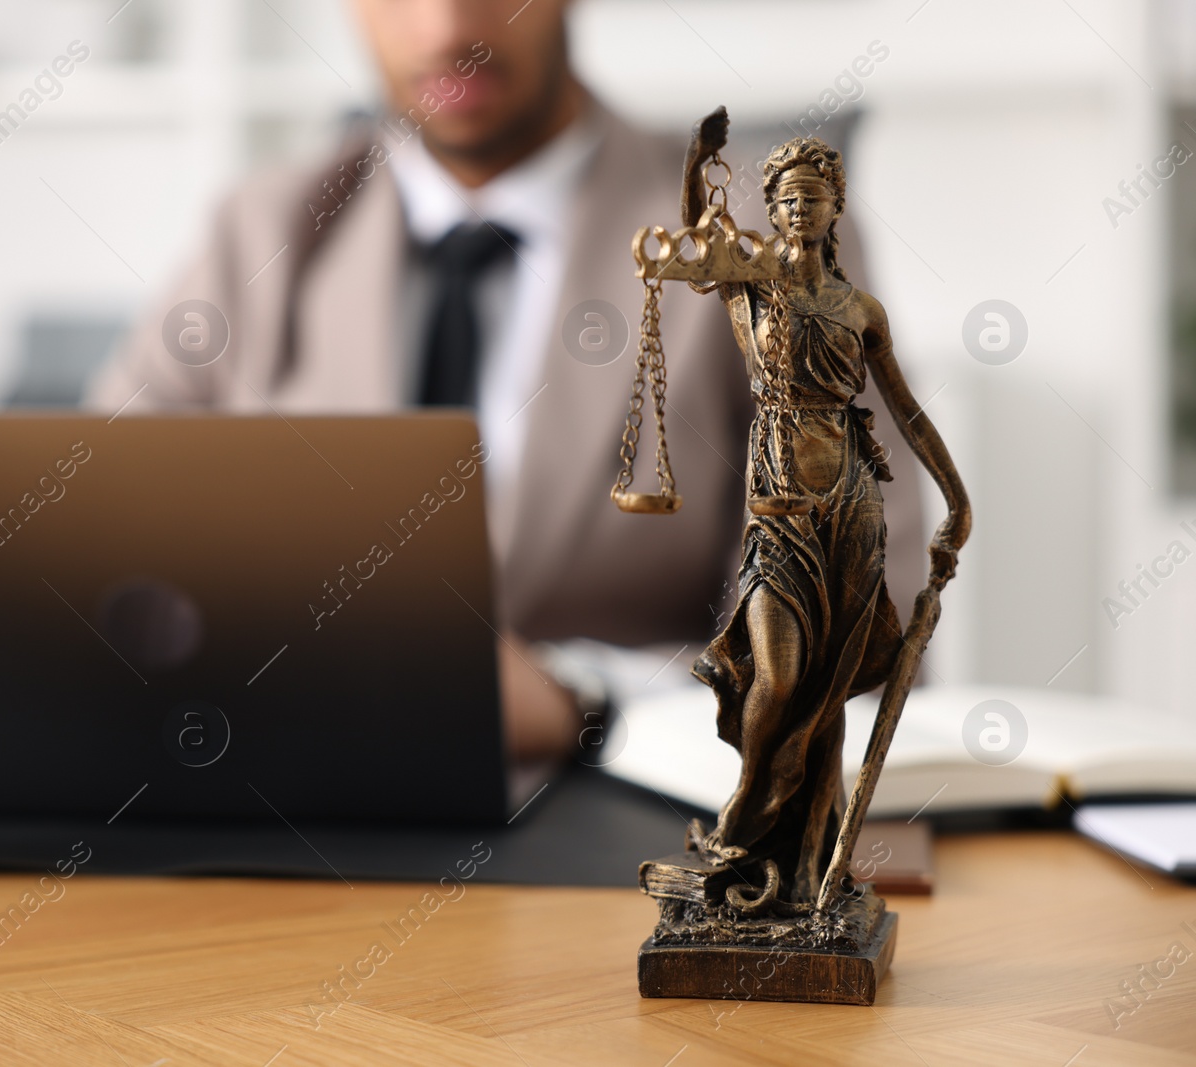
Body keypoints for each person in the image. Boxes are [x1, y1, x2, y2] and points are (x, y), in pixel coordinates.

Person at [88, 0, 924, 762]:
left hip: (610, 820)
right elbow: (96, 542)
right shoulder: (262, 229)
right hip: (288, 787)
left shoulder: (757, 246)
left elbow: (855, 625)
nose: (448, 29)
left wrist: (584, 704)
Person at [676, 111, 967, 906]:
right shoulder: (752, 289)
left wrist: (957, 496)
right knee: (778, 675)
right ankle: (748, 802)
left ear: (836, 207)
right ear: (770, 209)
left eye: (814, 196)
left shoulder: (862, 310)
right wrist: (699, 160)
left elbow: (905, 412)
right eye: (786, 197)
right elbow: (695, 241)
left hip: (851, 512)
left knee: (831, 692)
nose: (800, 209)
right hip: (777, 509)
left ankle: (807, 862)